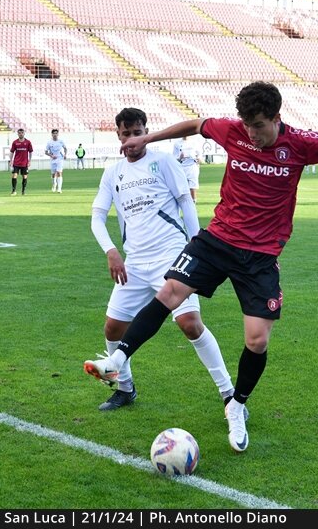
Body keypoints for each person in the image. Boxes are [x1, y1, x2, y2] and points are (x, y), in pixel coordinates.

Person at [83, 81, 318, 453]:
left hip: (261, 255)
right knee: (170, 292)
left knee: (257, 339)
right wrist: (147, 139)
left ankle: (237, 404)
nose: (251, 133)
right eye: (246, 125)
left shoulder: (301, 143)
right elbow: (194, 125)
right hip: (218, 239)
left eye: (259, 125)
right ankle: (118, 359)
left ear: (277, 118)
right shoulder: (233, 131)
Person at [90, 107, 237, 412]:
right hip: (135, 262)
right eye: (126, 133)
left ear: (147, 132)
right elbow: (97, 216)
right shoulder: (112, 173)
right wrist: (110, 250)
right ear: (118, 136)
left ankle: (229, 395)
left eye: (138, 132)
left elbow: (186, 202)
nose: (132, 138)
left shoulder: (164, 162)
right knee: (112, 329)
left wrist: (198, 247)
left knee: (190, 323)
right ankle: (126, 388)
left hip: (171, 257)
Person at [172, 134, 201, 201]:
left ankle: (193, 203)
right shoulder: (177, 143)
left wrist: (198, 159)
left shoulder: (195, 142)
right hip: (182, 167)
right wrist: (180, 157)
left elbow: (200, 157)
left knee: (192, 187)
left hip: (192, 166)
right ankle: (183, 204)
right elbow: (174, 158)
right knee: (182, 187)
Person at [9, 128, 33, 196]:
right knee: (14, 175)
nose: (21, 134)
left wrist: (30, 161)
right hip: (16, 162)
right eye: (19, 133)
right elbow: (12, 152)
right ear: (18, 134)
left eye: (22, 132)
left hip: (24, 163)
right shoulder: (15, 142)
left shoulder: (28, 142)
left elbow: (30, 152)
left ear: (24, 133)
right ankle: (13, 191)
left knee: (24, 176)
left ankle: (23, 191)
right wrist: (11, 160)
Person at [45, 128, 67, 193]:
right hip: (53, 160)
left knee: (59, 173)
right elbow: (46, 152)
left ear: (58, 134)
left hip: (60, 159)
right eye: (54, 133)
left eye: (56, 133)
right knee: (53, 174)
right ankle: (54, 184)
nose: (55, 134)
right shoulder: (49, 142)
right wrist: (51, 156)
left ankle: (59, 189)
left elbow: (65, 148)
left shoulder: (61, 141)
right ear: (52, 134)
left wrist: (65, 154)